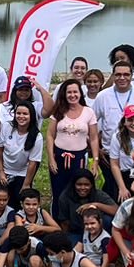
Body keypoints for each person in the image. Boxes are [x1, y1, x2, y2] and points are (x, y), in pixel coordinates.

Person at [46, 78, 99, 208]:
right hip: (59, 157)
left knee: (78, 191)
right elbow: (50, 135)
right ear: (64, 94)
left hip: (79, 158)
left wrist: (95, 161)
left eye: (75, 92)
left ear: (80, 93)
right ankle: (57, 217)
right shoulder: (58, 111)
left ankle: (75, 216)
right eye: (69, 92)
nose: (72, 95)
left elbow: (93, 138)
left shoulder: (88, 112)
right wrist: (51, 158)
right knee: (58, 191)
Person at [0, 102, 41, 203]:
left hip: (23, 173)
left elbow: (33, 163)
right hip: (5, 171)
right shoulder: (6, 127)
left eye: (25, 114)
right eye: (18, 113)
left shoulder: (37, 136)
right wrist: (1, 172)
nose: (21, 116)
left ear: (31, 116)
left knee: (18, 202)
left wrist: (26, 184)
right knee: (3, 201)